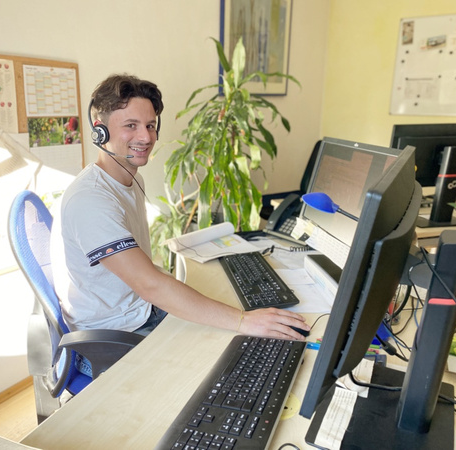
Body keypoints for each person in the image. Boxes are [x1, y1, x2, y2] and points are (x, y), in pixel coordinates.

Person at [50, 74, 310, 374]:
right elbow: (149, 284)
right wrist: (243, 320)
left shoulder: (130, 179)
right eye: (131, 125)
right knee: (238, 360)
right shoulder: (91, 200)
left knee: (247, 337)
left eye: (150, 125)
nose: (145, 137)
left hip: (138, 313)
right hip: (112, 341)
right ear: (100, 132)